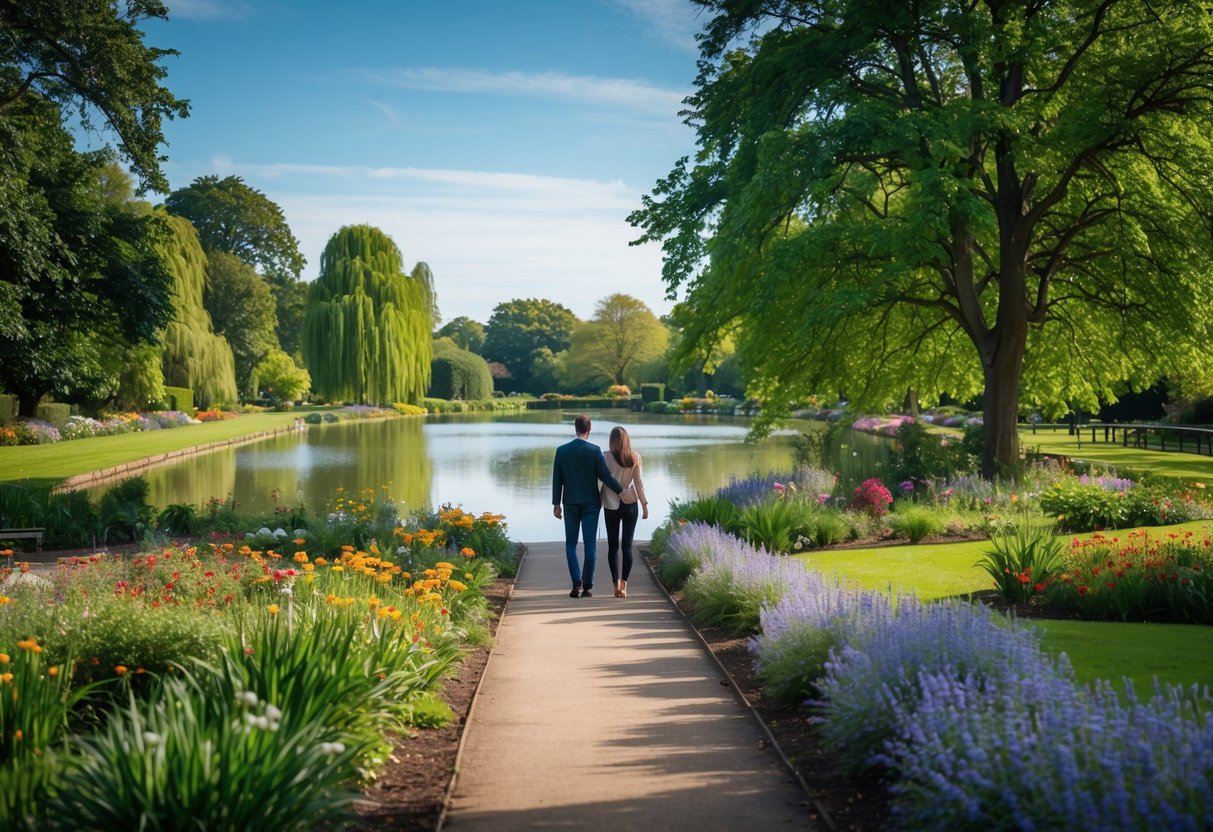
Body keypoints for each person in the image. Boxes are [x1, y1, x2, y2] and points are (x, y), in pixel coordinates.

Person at [552, 414, 623, 598]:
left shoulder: (562, 451)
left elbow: (557, 481)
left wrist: (556, 504)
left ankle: (576, 583)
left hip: (570, 503)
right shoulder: (594, 450)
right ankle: (588, 586)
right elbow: (605, 477)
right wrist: (621, 491)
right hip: (591, 503)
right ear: (589, 431)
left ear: (575, 429)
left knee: (570, 544)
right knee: (590, 545)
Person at [600, 426, 648, 598]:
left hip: (611, 505)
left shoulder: (605, 456)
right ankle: (625, 585)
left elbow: (600, 480)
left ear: (612, 440)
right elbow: (639, 483)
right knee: (627, 547)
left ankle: (615, 584)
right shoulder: (635, 457)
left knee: (613, 547)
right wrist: (644, 505)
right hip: (630, 504)